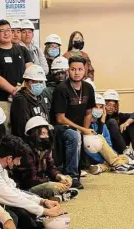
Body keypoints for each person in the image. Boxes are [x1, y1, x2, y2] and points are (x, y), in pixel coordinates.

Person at [0, 134, 66, 229]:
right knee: (14, 215)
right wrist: (44, 211)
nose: (19, 163)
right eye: (18, 159)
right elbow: (12, 198)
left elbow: (14, 191)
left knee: (22, 213)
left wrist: (43, 201)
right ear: (9, 159)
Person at [51, 56, 96, 189]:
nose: (76, 72)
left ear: (85, 70)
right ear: (68, 70)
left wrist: (86, 131)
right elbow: (60, 118)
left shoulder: (88, 88)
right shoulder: (62, 89)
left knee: (95, 136)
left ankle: (118, 161)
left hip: (80, 128)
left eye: (80, 69)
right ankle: (72, 175)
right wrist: (81, 130)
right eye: (73, 69)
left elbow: (88, 113)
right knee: (74, 135)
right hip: (61, 128)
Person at [14, 116, 79, 202]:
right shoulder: (25, 151)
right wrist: (50, 181)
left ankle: (54, 196)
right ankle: (53, 195)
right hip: (27, 187)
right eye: (43, 134)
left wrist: (59, 176)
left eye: (47, 134)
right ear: (34, 134)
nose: (46, 137)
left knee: (66, 180)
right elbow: (30, 180)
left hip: (41, 181)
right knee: (53, 186)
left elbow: (51, 167)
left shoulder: (44, 150)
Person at [0, 19, 33, 131]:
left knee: (24, 131)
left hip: (24, 100)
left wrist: (22, 90)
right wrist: (14, 90)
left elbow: (30, 72)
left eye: (8, 30)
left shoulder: (22, 50)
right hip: (3, 101)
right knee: (5, 131)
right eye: (2, 31)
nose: (6, 33)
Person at [85, 94, 134, 175]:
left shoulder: (103, 124)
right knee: (99, 138)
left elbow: (108, 144)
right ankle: (117, 164)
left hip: (107, 154)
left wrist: (127, 123)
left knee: (125, 158)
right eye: (96, 107)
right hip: (93, 154)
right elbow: (96, 141)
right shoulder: (87, 122)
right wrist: (103, 119)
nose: (98, 110)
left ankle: (101, 167)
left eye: (101, 107)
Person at [10, 64, 49, 138]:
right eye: (34, 82)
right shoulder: (20, 100)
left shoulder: (41, 98)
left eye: (40, 82)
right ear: (25, 82)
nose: (38, 85)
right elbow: (22, 129)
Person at [103, 89, 134, 158]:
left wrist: (127, 123)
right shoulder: (98, 117)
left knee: (131, 123)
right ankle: (126, 152)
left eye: (114, 106)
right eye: (108, 105)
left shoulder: (119, 116)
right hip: (108, 146)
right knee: (112, 122)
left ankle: (128, 152)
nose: (111, 108)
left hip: (119, 146)